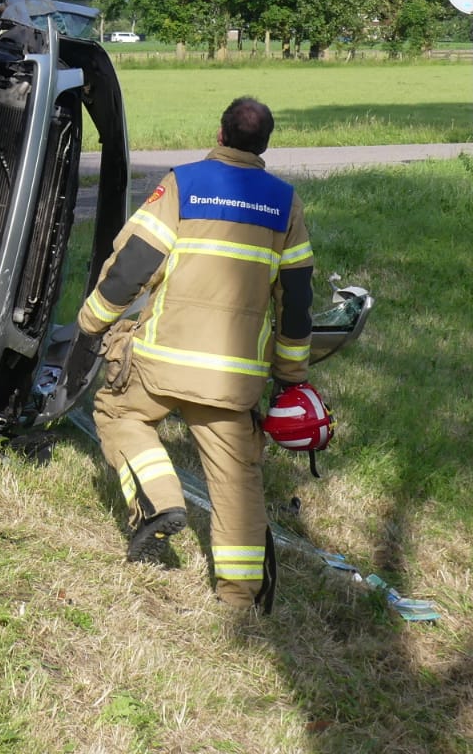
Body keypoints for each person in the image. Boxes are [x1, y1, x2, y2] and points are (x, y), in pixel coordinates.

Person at [76, 96, 315, 610]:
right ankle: (239, 598)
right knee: (237, 481)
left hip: (161, 364)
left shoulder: (184, 185)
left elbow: (134, 263)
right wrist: (291, 372)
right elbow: (296, 298)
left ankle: (159, 501)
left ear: (220, 135)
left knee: (117, 413)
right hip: (232, 379)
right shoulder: (286, 204)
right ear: (264, 146)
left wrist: (92, 320)